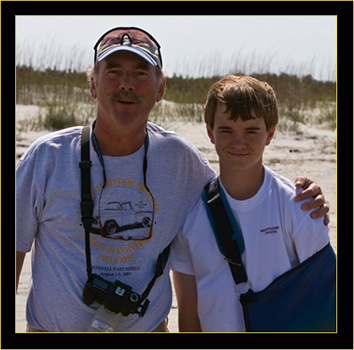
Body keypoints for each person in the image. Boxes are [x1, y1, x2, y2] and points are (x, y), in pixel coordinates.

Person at [16, 27, 329, 332]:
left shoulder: (181, 160)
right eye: (112, 70)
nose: (126, 83)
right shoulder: (47, 157)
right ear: (93, 84)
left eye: (140, 72)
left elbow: (237, 187)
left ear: (161, 88)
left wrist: (302, 195)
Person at [171, 75, 334, 332]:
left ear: (269, 134)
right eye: (226, 130)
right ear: (210, 133)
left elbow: (325, 303)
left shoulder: (300, 206)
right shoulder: (190, 215)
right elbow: (189, 314)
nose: (239, 141)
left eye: (251, 130)